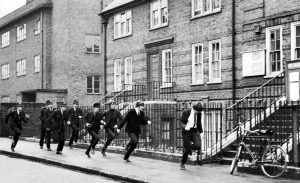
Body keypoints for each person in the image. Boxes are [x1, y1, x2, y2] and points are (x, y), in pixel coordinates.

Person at [180, 101, 203, 170]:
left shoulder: (199, 114)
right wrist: (185, 126)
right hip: (186, 131)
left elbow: (199, 123)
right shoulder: (186, 112)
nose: (198, 112)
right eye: (197, 111)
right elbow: (181, 122)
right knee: (187, 150)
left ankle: (188, 149)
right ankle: (182, 163)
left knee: (198, 145)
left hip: (194, 131)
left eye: (199, 111)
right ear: (194, 109)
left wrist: (201, 132)